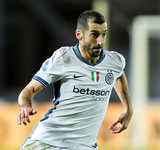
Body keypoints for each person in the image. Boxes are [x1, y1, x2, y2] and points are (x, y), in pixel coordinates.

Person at [16, 10, 133, 150]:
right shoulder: (63, 58)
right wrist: (25, 106)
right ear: (79, 34)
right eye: (94, 35)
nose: (100, 41)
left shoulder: (115, 61)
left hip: (84, 146)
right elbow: (29, 90)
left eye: (104, 34)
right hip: (47, 141)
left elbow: (118, 75)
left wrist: (128, 109)